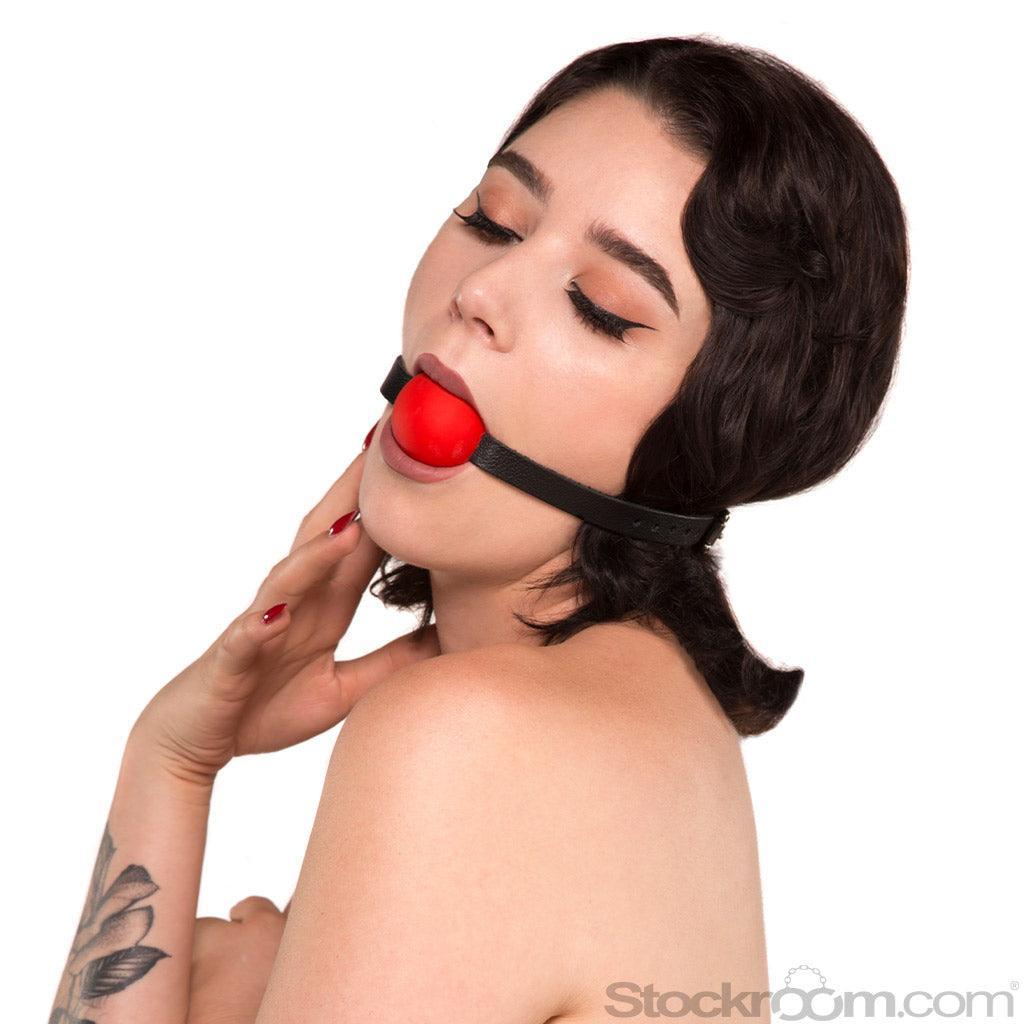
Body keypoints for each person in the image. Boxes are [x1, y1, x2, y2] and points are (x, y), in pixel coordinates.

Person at [48, 34, 908, 1024]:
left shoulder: (472, 738)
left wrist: (223, 977)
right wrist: (172, 754)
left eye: (599, 305)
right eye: (493, 221)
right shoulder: (662, 715)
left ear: (708, 436)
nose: (479, 293)